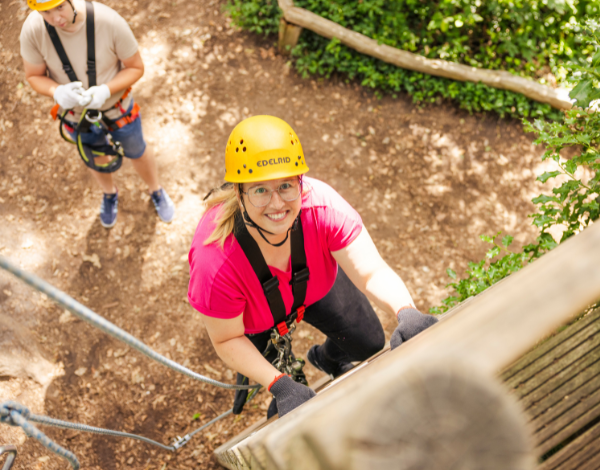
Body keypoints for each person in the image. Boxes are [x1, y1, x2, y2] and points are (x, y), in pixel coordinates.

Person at [188, 116, 438, 418]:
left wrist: (406, 312)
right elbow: (227, 337)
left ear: (300, 182)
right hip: (256, 321)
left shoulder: (322, 209)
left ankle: (327, 359)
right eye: (259, 190)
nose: (277, 204)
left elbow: (372, 271)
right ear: (239, 194)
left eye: (285, 185)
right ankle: (290, 378)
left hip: (317, 287)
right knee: (290, 405)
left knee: (369, 342)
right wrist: (278, 384)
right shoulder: (215, 262)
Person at [20, 0, 175, 228]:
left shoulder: (109, 22)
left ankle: (156, 190)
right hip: (77, 116)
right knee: (96, 158)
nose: (56, 19)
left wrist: (106, 90)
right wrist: (57, 91)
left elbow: (135, 67)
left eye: (60, 7)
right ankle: (109, 193)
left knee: (137, 150)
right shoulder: (33, 30)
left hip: (117, 108)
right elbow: (33, 75)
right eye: (46, 12)